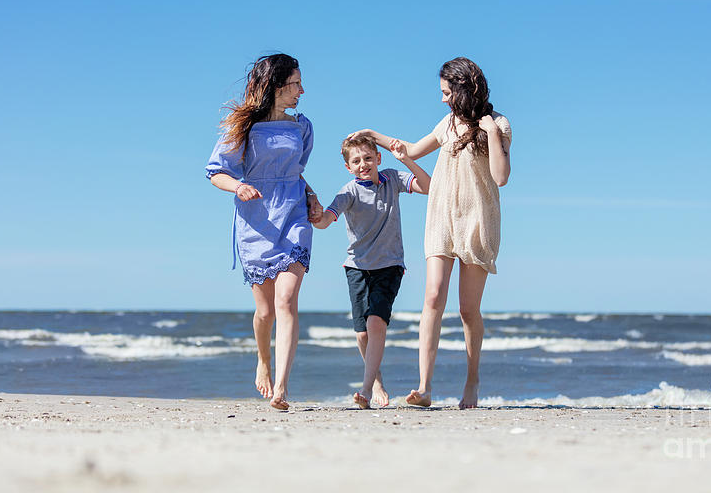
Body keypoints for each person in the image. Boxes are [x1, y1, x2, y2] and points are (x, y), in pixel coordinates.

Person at [352, 57, 511, 409]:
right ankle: (424, 388)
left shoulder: (497, 124)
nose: (442, 99)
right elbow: (409, 149)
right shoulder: (448, 123)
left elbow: (501, 177)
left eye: (445, 92)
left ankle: (472, 380)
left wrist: (492, 132)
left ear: (462, 87)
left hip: (477, 221)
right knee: (433, 296)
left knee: (468, 310)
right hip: (441, 216)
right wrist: (372, 134)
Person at [205, 53, 323, 410]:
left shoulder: (302, 126)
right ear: (276, 85)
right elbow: (216, 171)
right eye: (295, 84)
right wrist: (237, 187)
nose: (302, 90)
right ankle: (263, 360)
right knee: (265, 312)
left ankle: (283, 387)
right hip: (256, 219)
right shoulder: (242, 127)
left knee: (287, 300)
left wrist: (312, 196)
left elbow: (295, 172)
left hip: (294, 216)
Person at [312, 134, 430, 409]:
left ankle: (364, 389)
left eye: (368, 158)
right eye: (356, 161)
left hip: (389, 265)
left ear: (378, 158)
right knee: (363, 333)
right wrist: (317, 217)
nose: (363, 164)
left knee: (376, 322)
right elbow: (327, 219)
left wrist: (407, 159)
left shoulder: (392, 178)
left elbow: (429, 187)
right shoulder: (348, 192)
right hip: (357, 268)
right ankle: (376, 381)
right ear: (348, 167)